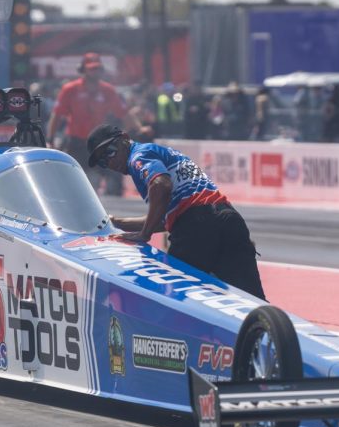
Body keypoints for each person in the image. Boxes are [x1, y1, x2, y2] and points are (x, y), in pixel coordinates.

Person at [87, 123, 265, 299]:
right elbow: (165, 219)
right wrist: (116, 222)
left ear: (125, 139)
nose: (110, 162)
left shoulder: (138, 156)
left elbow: (161, 185)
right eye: (102, 161)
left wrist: (144, 234)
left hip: (196, 228)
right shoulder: (163, 154)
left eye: (110, 152)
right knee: (252, 302)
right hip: (228, 218)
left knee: (174, 301)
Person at [47, 53, 147, 190]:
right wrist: (50, 139)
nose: (96, 72)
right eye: (92, 69)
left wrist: (139, 128)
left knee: (115, 178)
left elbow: (124, 113)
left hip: (100, 143)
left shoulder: (108, 90)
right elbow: (57, 115)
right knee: (71, 181)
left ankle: (113, 203)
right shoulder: (70, 89)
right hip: (76, 142)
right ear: (83, 70)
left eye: (98, 68)